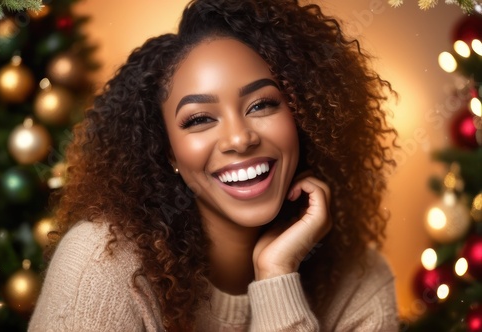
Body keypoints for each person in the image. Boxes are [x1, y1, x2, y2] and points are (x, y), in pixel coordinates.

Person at [28, 0, 399, 331]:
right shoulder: (101, 266)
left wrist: (276, 276)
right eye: (199, 119)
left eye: (261, 105)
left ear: (302, 115)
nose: (239, 139)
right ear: (168, 150)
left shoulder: (359, 283)